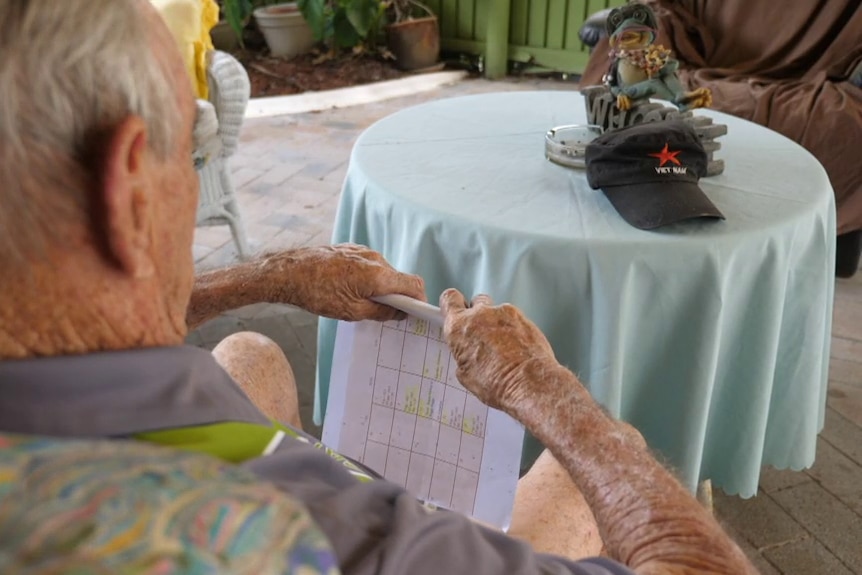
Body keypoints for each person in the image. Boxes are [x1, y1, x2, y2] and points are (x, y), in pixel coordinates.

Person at [0, 1, 758, 574]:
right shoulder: (282, 536)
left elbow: (83, 303)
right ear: (131, 187)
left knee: (248, 351)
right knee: (584, 469)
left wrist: (271, 275)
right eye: (192, 145)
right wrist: (541, 388)